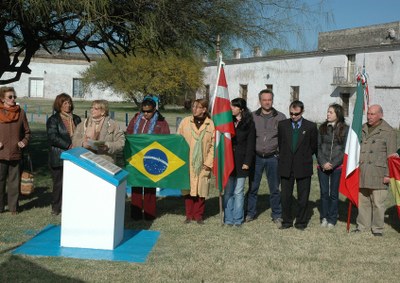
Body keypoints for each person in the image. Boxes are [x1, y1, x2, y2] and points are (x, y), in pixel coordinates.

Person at [354, 104, 397, 236]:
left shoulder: (388, 132)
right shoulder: (362, 128)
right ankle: (362, 226)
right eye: (368, 114)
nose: (369, 116)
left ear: (380, 115)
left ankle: (377, 228)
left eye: (373, 114)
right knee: (363, 201)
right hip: (363, 171)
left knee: (378, 203)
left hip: (379, 172)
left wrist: (388, 175)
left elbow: (392, 156)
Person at [246, 89, 286, 227]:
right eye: (264, 100)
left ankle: (276, 214)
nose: (267, 102)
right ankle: (250, 213)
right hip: (256, 158)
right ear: (260, 101)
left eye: (269, 99)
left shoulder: (280, 117)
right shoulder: (252, 116)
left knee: (274, 188)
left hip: (273, 158)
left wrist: (279, 154)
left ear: (272, 100)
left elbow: (284, 138)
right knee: (253, 187)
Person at [126, 96, 170, 220]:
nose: (146, 114)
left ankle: (150, 214)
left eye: (149, 111)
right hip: (136, 156)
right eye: (144, 111)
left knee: (150, 186)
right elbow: (129, 133)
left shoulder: (161, 122)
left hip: (152, 157)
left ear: (155, 109)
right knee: (136, 185)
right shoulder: (135, 119)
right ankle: (136, 214)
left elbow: (165, 139)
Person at [278, 100, 318, 230]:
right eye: (291, 113)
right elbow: (281, 143)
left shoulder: (311, 126)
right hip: (286, 166)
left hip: (303, 166)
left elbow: (313, 146)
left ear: (302, 112)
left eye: (296, 114)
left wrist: (302, 157)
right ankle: (287, 221)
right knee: (285, 197)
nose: (293, 116)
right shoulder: (282, 125)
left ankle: (301, 222)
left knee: (303, 197)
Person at [177, 99, 215, 224]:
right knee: (188, 189)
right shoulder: (185, 122)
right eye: (193, 107)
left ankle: (198, 215)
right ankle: (188, 215)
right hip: (187, 162)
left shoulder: (210, 125)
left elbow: (213, 147)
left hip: (203, 163)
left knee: (201, 189)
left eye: (198, 107)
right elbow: (178, 141)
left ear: (204, 109)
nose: (194, 109)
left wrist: (208, 163)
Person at [47, 93, 81, 215]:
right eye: (65, 103)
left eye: (69, 102)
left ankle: (71, 206)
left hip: (75, 155)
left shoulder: (76, 119)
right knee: (59, 183)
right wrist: (68, 145)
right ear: (59, 105)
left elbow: (81, 134)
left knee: (73, 183)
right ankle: (56, 208)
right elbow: (52, 137)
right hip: (59, 156)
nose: (68, 105)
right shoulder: (53, 120)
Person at [223, 98, 255, 227]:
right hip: (228, 161)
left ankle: (237, 219)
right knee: (228, 191)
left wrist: (247, 162)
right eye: (231, 106)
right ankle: (228, 218)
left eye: (235, 107)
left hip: (242, 162)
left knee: (238, 192)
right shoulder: (226, 122)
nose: (232, 108)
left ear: (241, 109)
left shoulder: (249, 123)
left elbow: (250, 145)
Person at [0, 86, 31, 214]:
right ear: (2, 99)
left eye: (14, 96)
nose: (13, 99)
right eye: (10, 97)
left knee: (14, 183)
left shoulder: (21, 112)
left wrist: (24, 142)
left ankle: (13, 208)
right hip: (0, 153)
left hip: (16, 153)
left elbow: (28, 132)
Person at [317, 104, 348, 228]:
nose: (328, 114)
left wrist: (333, 164)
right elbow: (318, 147)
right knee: (324, 193)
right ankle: (324, 217)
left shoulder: (345, 129)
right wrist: (323, 162)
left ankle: (332, 218)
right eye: (327, 111)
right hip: (322, 165)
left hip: (337, 166)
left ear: (338, 114)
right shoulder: (322, 128)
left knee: (334, 194)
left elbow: (344, 149)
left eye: (331, 112)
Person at [72, 99, 125, 163]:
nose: (92, 110)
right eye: (91, 108)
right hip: (85, 161)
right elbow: (74, 140)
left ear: (103, 112)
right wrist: (83, 144)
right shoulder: (83, 124)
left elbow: (121, 143)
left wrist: (107, 146)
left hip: (105, 163)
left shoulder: (113, 125)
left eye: (95, 109)